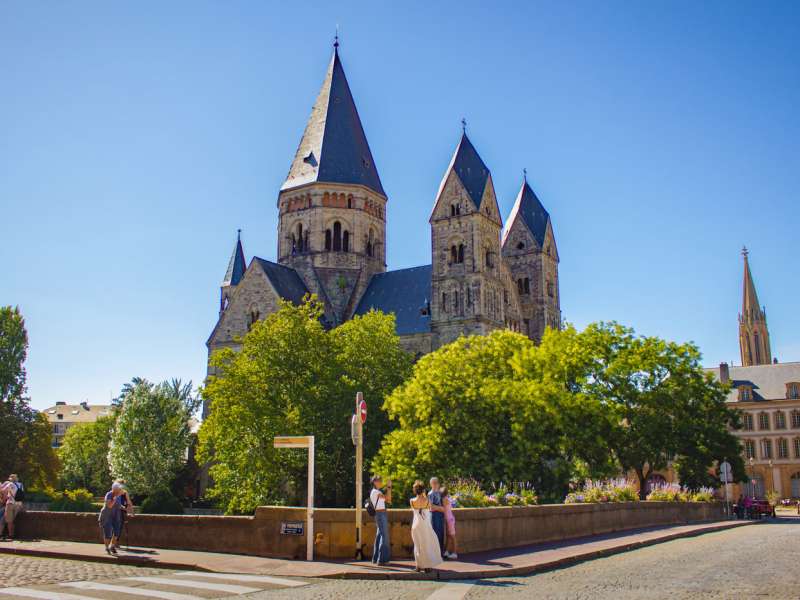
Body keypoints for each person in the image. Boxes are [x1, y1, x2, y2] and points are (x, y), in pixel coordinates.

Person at [409, 480, 443, 572]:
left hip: (416, 525)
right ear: (423, 490)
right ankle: (427, 566)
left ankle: (418, 566)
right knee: (427, 545)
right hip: (425, 525)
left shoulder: (412, 501)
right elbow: (430, 508)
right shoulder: (427, 501)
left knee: (417, 545)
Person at [370, 475, 392, 565]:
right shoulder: (376, 492)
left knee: (379, 536)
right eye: (379, 481)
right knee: (385, 536)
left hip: (380, 514)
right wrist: (389, 487)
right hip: (380, 514)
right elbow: (389, 499)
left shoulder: (376, 491)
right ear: (374, 482)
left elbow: (388, 500)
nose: (381, 482)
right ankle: (382, 560)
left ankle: (375, 558)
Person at [99, 482, 124, 555]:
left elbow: (118, 505)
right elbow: (109, 505)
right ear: (114, 489)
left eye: (120, 489)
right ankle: (107, 548)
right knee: (108, 532)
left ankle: (112, 546)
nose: (120, 490)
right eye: (119, 489)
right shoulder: (109, 494)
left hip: (116, 516)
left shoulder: (119, 496)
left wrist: (125, 508)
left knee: (116, 532)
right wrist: (116, 497)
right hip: (107, 516)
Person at [112, 481, 133, 551]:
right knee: (115, 526)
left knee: (120, 527)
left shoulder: (125, 493)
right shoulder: (114, 492)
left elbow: (129, 502)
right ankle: (114, 543)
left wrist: (131, 511)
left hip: (122, 512)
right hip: (115, 511)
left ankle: (116, 542)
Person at [427, 477, 445, 557]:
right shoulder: (430, 494)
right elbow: (431, 506)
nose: (435, 485)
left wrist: (441, 509)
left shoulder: (440, 493)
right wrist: (441, 508)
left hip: (440, 515)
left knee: (441, 533)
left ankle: (440, 552)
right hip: (434, 515)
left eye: (436, 483)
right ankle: (436, 553)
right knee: (435, 533)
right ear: (431, 484)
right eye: (433, 483)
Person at [1, 475, 22, 541]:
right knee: (13, 519)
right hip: (18, 504)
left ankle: (11, 535)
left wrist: (3, 484)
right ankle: (12, 534)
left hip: (10, 503)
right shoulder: (21, 485)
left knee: (9, 520)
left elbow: (2, 490)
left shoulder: (10, 484)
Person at [440, 487, 457, 559]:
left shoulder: (445, 499)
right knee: (448, 536)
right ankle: (446, 551)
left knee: (452, 536)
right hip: (449, 519)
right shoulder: (447, 498)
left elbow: (442, 508)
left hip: (449, 520)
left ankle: (454, 553)